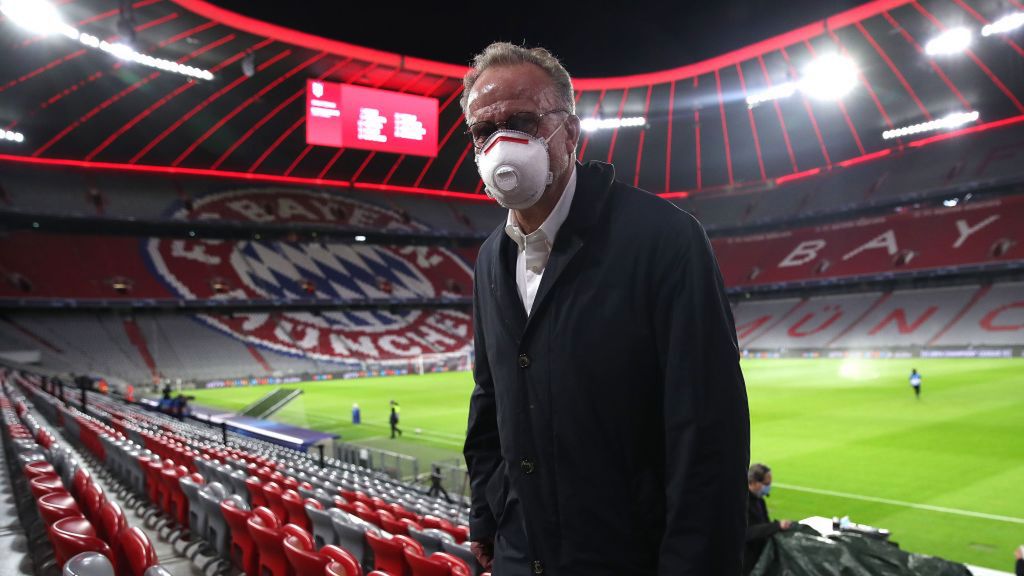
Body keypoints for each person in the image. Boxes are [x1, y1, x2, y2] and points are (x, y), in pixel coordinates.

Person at [463, 43, 750, 576]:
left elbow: (708, 432)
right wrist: (488, 516)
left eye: (523, 120)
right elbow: (489, 398)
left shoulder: (664, 239)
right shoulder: (490, 259)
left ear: (569, 134)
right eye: (485, 130)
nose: (502, 141)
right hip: (519, 555)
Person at [744, 464, 794, 575]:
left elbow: (764, 525)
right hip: (747, 561)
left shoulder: (759, 501)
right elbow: (747, 532)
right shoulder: (742, 503)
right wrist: (777, 526)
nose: (769, 487)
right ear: (753, 482)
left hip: (758, 556)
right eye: (766, 484)